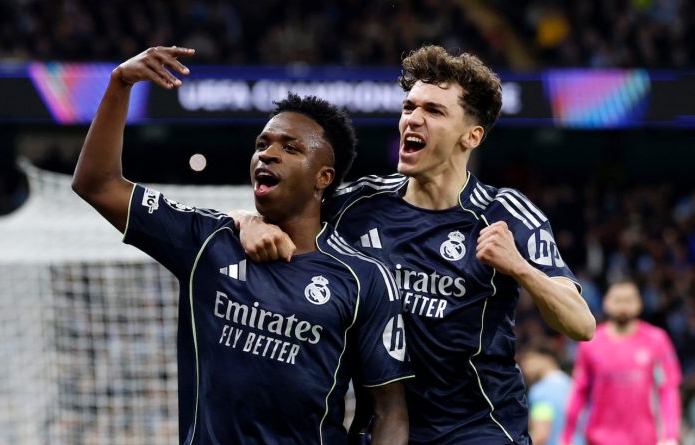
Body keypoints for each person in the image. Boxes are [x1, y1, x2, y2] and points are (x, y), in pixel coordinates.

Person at [236, 44, 596, 444]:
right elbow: (282, 216)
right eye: (409, 107)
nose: (413, 119)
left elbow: (580, 324)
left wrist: (520, 267)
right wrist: (249, 222)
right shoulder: (358, 204)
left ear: (472, 135)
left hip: (478, 430)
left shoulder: (505, 213)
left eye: (434, 111)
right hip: (382, 426)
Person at [71, 45, 412, 445]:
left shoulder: (363, 278)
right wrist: (119, 84)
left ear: (323, 177)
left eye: (290, 147)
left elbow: (389, 412)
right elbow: (97, 184)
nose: (268, 154)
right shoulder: (208, 241)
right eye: (262, 144)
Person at [561, 280, 682, 445]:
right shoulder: (591, 343)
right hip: (599, 439)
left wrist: (670, 435)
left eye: (629, 300)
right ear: (606, 303)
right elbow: (579, 391)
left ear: (639, 304)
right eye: (618, 300)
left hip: (645, 439)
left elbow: (668, 389)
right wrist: (566, 437)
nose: (623, 305)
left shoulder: (657, 340)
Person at [518, 344, 577, 445]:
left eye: (529, 359)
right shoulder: (571, 384)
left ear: (547, 358)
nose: (524, 367)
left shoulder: (541, 391)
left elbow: (541, 433)